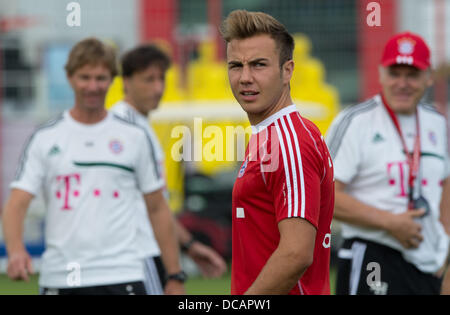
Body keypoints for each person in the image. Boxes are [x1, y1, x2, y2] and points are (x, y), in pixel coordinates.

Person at [1, 38, 185, 295]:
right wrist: (16, 250)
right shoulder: (45, 138)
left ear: (112, 80)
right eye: (84, 77)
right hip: (62, 277)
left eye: (100, 78)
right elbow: (17, 202)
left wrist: (175, 275)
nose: (92, 86)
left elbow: (157, 209)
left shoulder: (134, 136)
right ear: (69, 77)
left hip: (123, 274)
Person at [326, 31, 450, 295]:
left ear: (428, 77)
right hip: (373, 254)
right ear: (381, 74)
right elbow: (323, 194)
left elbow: (446, 188)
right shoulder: (355, 121)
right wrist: (390, 222)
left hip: (428, 264)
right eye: (395, 73)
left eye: (412, 74)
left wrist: (446, 258)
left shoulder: (438, 123)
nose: (402, 83)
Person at [220, 10, 335, 295]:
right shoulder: (268, 136)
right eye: (236, 65)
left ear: (288, 70)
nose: (245, 77)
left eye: (259, 65)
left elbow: (296, 254)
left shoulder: (289, 141)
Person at [109, 44, 227, 294]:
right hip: (133, 256)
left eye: (161, 79)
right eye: (148, 79)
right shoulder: (124, 129)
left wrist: (191, 245)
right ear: (126, 82)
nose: (158, 88)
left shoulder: (140, 126)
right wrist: (175, 274)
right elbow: (152, 208)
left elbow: (155, 204)